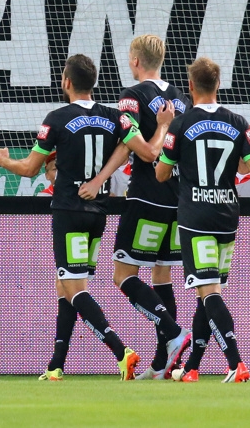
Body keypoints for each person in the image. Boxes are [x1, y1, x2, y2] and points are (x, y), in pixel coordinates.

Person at [0, 54, 142, 381]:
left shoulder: (56, 119)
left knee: (74, 288)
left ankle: (122, 351)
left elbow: (31, 169)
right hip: (97, 213)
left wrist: (4, 161)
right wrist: (101, 179)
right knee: (66, 286)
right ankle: (56, 365)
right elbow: (128, 147)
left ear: (67, 82)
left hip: (69, 212)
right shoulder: (113, 116)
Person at [79, 34, 192, 380]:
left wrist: (159, 129)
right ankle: (162, 364)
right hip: (178, 201)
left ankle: (173, 333)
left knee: (123, 275)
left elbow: (143, 151)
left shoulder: (132, 97)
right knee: (162, 274)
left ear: (135, 61)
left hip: (146, 197)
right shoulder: (181, 99)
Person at [155, 56, 250, 383]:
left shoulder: (182, 123)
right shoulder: (239, 123)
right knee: (208, 292)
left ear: (190, 86)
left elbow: (162, 173)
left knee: (209, 292)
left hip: (195, 217)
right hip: (226, 217)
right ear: (218, 85)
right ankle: (192, 366)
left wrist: (166, 130)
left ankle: (236, 363)